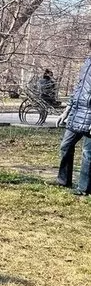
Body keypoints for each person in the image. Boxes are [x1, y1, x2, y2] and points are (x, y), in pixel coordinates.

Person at [57, 57, 91, 195]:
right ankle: (63, 181)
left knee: (88, 153)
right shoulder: (87, 62)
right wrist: (66, 111)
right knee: (65, 146)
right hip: (77, 113)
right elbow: (78, 88)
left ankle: (84, 189)